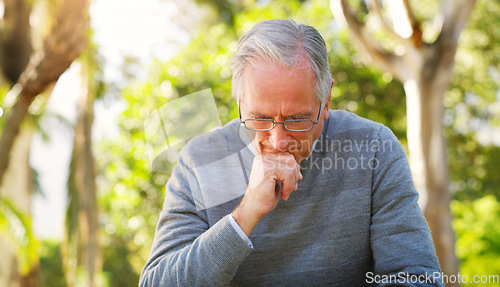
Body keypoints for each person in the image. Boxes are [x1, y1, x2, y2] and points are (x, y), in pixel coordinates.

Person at [139, 19, 443, 286]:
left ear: (326, 102)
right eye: (259, 118)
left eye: (297, 119)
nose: (279, 140)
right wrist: (245, 215)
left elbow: (416, 277)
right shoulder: (200, 161)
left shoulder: (373, 147)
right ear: (239, 102)